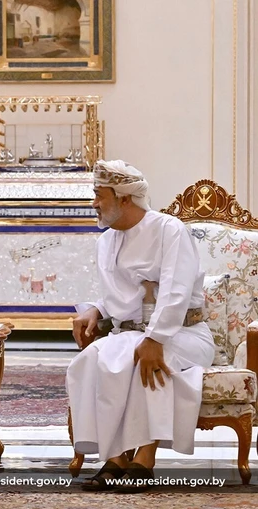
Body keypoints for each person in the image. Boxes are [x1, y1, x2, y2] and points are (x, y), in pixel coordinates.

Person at [67, 160, 215, 492]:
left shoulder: (169, 229)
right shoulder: (106, 241)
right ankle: (116, 456)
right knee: (90, 360)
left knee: (139, 358)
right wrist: (96, 309)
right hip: (132, 335)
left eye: (99, 195)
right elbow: (121, 296)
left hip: (184, 334)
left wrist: (156, 338)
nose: (94, 203)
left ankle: (145, 459)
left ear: (124, 198)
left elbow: (176, 291)